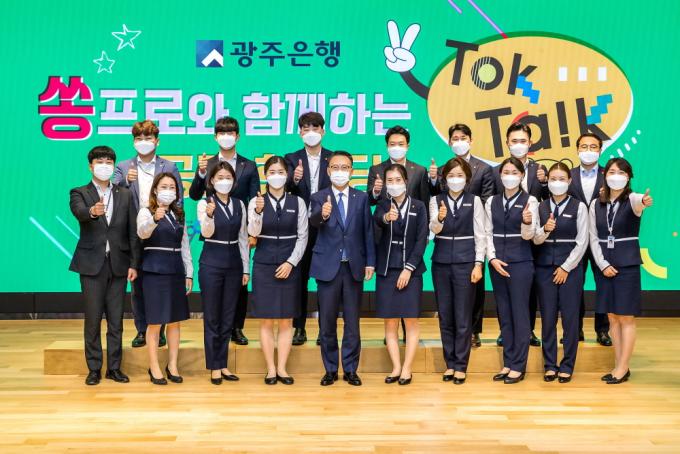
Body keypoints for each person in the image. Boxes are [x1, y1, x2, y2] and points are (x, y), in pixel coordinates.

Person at [69, 146, 139, 385]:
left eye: (109, 162)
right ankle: (94, 368)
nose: (104, 166)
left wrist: (134, 263)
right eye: (100, 162)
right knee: (93, 319)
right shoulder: (79, 192)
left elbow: (132, 232)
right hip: (92, 265)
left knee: (116, 321)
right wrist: (92, 211)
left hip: (118, 264)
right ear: (91, 166)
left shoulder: (124, 193)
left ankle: (114, 368)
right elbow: (79, 212)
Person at [189, 116, 259, 346]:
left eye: (230, 133)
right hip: (214, 227)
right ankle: (216, 328)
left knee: (239, 280)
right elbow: (194, 194)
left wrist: (252, 232)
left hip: (239, 227)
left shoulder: (249, 165)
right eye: (222, 133)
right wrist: (201, 174)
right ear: (215, 137)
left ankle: (236, 327)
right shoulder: (207, 164)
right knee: (215, 283)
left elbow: (254, 199)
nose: (226, 137)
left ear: (237, 136)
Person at [113, 119, 183, 349]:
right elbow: (112, 194)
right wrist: (125, 181)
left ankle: (159, 329)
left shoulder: (169, 166)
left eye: (148, 138)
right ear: (134, 142)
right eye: (139, 138)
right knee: (139, 283)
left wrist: (173, 222)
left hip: (162, 227)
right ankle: (142, 330)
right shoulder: (124, 167)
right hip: (134, 231)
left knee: (162, 283)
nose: (143, 142)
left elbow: (179, 198)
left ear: (157, 141)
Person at [310, 151, 375, 387]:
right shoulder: (319, 197)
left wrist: (370, 262)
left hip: (353, 267)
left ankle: (350, 369)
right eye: (335, 167)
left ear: (352, 171)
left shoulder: (361, 198)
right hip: (327, 268)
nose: (340, 171)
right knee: (327, 323)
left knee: (352, 323)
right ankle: (330, 369)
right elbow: (313, 222)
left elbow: (368, 231)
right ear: (328, 171)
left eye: (344, 167)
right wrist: (322, 214)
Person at [429, 123, 494, 348]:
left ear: (471, 140)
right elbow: (437, 199)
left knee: (475, 288)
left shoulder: (484, 168)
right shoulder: (442, 170)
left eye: (463, 138)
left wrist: (468, 211)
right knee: (448, 301)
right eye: (455, 138)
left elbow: (487, 199)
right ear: (449, 142)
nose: (459, 142)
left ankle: (474, 330)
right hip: (448, 236)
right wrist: (434, 181)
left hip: (473, 231)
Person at [589, 158, 652, 384]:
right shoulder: (596, 204)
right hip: (604, 266)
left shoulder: (633, 200)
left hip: (627, 265)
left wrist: (644, 201)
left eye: (621, 173)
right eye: (612, 172)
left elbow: (640, 202)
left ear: (628, 177)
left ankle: (623, 367)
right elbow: (593, 237)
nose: (616, 176)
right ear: (605, 175)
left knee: (625, 317)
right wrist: (602, 264)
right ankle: (619, 364)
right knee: (612, 317)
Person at [248, 156, 308, 385]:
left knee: (286, 320)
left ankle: (282, 368)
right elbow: (252, 233)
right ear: (265, 175)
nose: (276, 176)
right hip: (264, 266)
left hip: (289, 266)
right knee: (266, 320)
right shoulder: (256, 201)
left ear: (287, 175)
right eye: (272, 172)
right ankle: (270, 369)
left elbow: (303, 236)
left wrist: (291, 263)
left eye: (281, 172)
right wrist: (258, 212)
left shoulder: (298, 202)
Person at [429, 157, 486, 385]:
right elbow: (433, 229)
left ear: (467, 179)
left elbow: (481, 234)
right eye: (451, 176)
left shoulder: (475, 201)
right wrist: (440, 218)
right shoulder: (436, 200)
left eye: (460, 175)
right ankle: (450, 363)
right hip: (441, 262)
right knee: (445, 315)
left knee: (463, 316)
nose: (455, 179)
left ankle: (461, 365)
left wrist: (478, 264)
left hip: (466, 262)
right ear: (444, 179)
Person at [493, 122, 548, 348]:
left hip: (533, 238)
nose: (518, 145)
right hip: (505, 242)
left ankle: (529, 330)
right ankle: (504, 330)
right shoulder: (497, 171)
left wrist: (545, 183)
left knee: (529, 288)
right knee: (503, 289)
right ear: (507, 143)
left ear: (530, 143)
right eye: (514, 141)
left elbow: (549, 201)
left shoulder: (540, 170)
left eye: (522, 141)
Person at [533, 162, 588, 383]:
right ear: (547, 181)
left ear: (569, 181)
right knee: (547, 318)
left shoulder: (579, 207)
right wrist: (545, 230)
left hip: (571, 270)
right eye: (553, 179)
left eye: (562, 179)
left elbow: (582, 242)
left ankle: (567, 365)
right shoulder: (540, 206)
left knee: (570, 318)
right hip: (544, 268)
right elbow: (535, 239)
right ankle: (550, 365)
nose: (557, 183)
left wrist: (566, 267)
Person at [373, 164, 428, 385]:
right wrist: (386, 218)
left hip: (411, 271)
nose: (394, 184)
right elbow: (376, 224)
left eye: (398, 180)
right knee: (390, 322)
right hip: (387, 269)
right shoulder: (382, 206)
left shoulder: (419, 206)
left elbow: (421, 240)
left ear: (406, 181)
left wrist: (409, 268)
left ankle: (407, 368)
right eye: (390, 180)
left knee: (411, 320)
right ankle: (396, 367)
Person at [486, 157, 539, 384]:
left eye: (514, 172)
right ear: (500, 176)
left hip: (521, 262)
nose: (510, 176)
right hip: (497, 264)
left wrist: (526, 222)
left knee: (519, 313)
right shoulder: (492, 201)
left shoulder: (530, 201)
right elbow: (487, 232)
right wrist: (492, 258)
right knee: (504, 314)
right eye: (506, 172)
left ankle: (519, 365)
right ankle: (508, 363)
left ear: (522, 175)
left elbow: (530, 236)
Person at [136, 173, 193, 385]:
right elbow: (142, 233)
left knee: (174, 321)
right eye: (164, 186)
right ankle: (154, 367)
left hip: (175, 269)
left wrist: (189, 272)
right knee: (155, 321)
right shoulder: (146, 211)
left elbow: (185, 244)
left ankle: (173, 365)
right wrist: (154, 219)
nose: (168, 190)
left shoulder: (179, 213)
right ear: (155, 190)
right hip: (154, 270)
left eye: (172, 187)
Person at [197, 162, 250, 385]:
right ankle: (214, 366)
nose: (224, 181)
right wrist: (209, 216)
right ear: (211, 181)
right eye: (219, 177)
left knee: (228, 316)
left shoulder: (239, 204)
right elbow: (206, 232)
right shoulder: (205, 203)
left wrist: (245, 268)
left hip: (234, 263)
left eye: (228, 177)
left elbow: (244, 237)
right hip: (211, 262)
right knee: (212, 316)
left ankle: (223, 363)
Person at [284, 112, 333, 346]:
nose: (311, 132)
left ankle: (325, 330)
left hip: (326, 225)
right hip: (300, 227)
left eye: (315, 128)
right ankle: (299, 328)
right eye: (306, 128)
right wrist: (294, 179)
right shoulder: (291, 158)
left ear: (323, 131)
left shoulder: (333, 158)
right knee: (299, 279)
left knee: (326, 280)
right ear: (299, 132)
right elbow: (283, 187)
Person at [568, 133, 612, 346]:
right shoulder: (567, 175)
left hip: (601, 239)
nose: (588, 150)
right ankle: (574, 330)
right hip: (574, 240)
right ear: (577, 150)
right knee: (573, 286)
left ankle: (602, 330)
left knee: (604, 285)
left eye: (593, 147)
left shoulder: (610, 175)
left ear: (600, 150)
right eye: (584, 146)